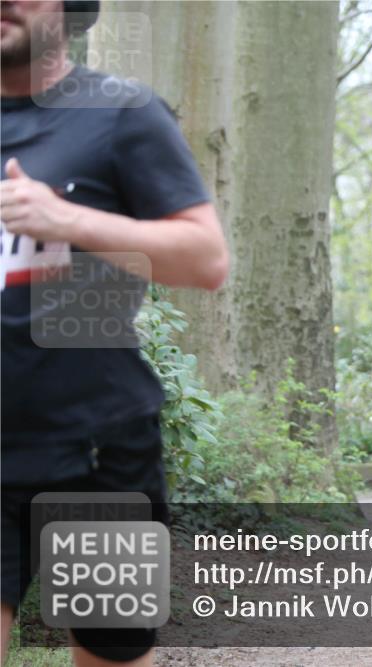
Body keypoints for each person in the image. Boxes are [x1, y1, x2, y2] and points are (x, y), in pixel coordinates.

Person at [1, 2, 228, 665]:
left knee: (111, 656)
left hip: (96, 454)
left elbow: (205, 258)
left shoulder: (120, 112)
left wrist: (68, 219)